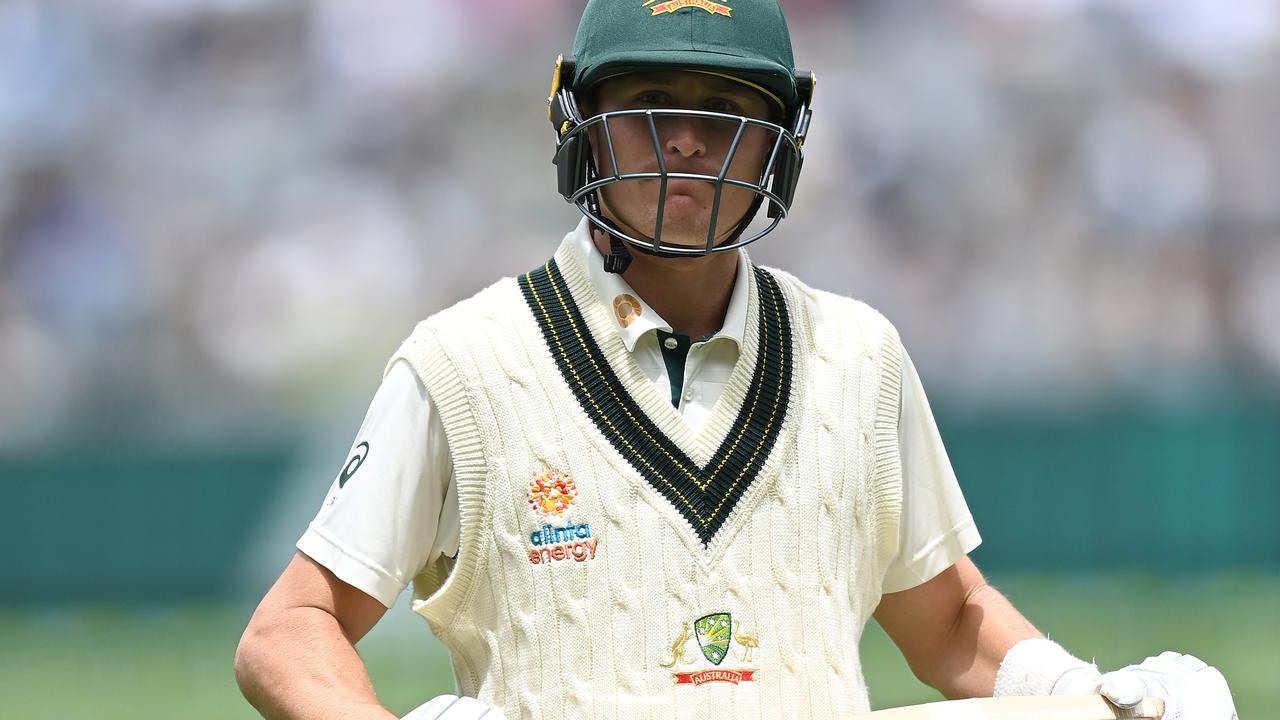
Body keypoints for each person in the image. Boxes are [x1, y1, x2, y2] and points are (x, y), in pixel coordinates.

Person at [234, 1, 1238, 718]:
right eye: (646, 105)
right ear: (579, 121)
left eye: (720, 113)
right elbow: (289, 630)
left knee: (1185, 703)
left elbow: (949, 621)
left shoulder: (857, 355)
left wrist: (1074, 691)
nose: (682, 142)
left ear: (775, 141)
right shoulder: (464, 360)